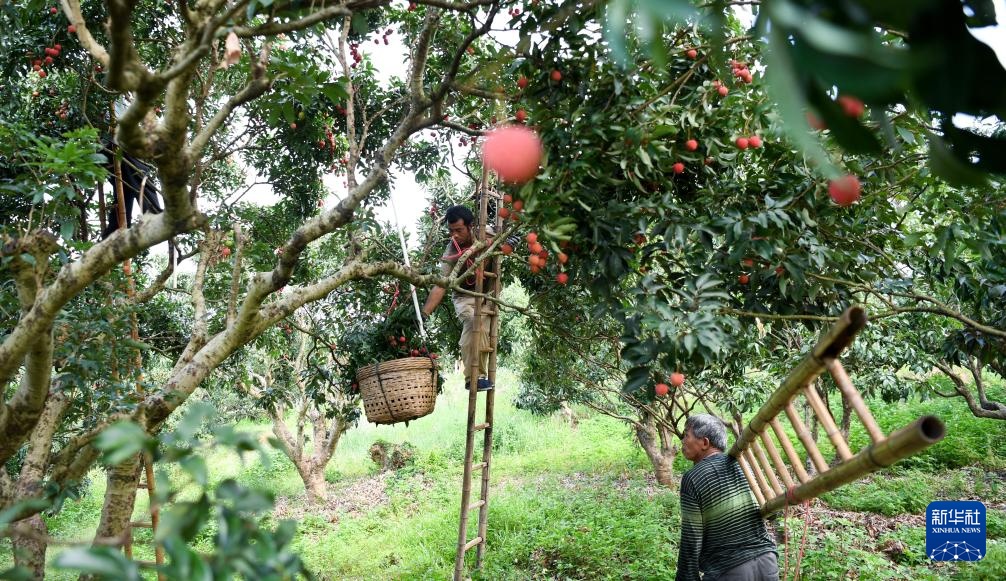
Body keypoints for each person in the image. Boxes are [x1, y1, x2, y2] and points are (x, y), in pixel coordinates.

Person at [676, 414, 778, 581]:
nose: (683, 440)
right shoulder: (742, 464)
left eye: (687, 435)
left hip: (730, 570)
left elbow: (692, 536)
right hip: (767, 561)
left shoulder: (693, 478)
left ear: (705, 443)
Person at [421, 205, 493, 391]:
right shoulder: (451, 250)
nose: (454, 235)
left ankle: (480, 376)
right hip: (464, 298)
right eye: (451, 231)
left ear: (471, 226)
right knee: (472, 322)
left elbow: (504, 238)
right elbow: (441, 284)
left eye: (459, 230)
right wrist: (425, 312)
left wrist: (509, 242)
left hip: (488, 297)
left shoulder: (486, 234)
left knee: (486, 333)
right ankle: (473, 378)